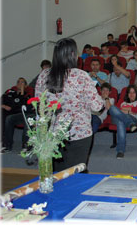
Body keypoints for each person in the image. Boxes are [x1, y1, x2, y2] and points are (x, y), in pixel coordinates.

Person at [35, 38, 103, 171]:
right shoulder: (80, 76)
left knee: (58, 175)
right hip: (79, 133)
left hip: (54, 133)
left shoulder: (44, 75)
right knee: (76, 174)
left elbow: (39, 104)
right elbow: (97, 106)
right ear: (72, 54)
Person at [108, 85, 137, 159]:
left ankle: (120, 151)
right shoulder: (122, 102)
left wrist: (123, 110)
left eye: (133, 93)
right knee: (112, 107)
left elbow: (136, 110)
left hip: (132, 119)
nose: (131, 95)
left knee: (120, 121)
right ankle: (130, 123)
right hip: (124, 119)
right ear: (127, 94)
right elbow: (114, 110)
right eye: (130, 93)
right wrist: (130, 110)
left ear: (136, 94)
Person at [0, 77, 31, 152]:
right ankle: (5, 145)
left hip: (20, 114)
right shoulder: (10, 92)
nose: (20, 84)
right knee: (3, 115)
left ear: (26, 86)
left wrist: (22, 92)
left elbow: (25, 107)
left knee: (10, 118)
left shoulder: (27, 95)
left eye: (22, 82)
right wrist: (3, 106)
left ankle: (25, 145)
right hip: (7, 112)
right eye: (18, 82)